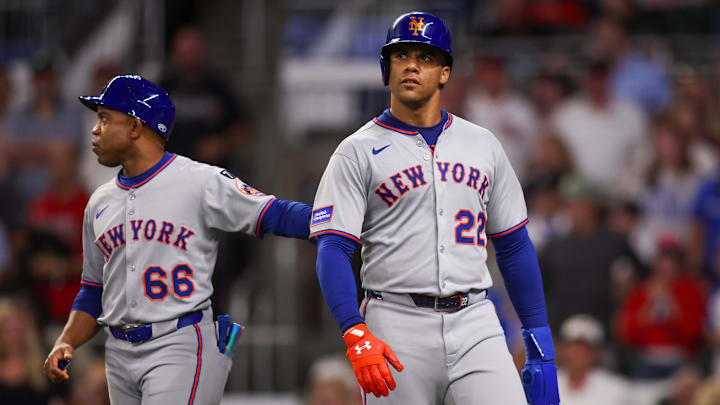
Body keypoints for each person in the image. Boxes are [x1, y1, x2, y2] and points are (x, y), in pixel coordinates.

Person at [311, 12, 559, 404]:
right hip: (395, 322)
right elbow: (333, 249)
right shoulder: (356, 151)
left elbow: (513, 246)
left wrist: (538, 338)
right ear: (386, 68)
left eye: (425, 58)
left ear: (445, 73)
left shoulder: (483, 144)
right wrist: (354, 330)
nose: (411, 65)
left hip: (475, 317)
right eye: (401, 56)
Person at [42, 75, 312, 404]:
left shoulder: (198, 181)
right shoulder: (99, 202)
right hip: (118, 353)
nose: (95, 130)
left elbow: (274, 213)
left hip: (179, 342)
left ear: (134, 127)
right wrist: (66, 340)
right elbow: (93, 290)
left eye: (104, 118)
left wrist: (341, 222)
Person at [556, 314, 631, 405]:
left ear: (596, 352)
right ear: (562, 350)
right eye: (572, 347)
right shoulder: (546, 385)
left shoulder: (617, 389)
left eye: (585, 349)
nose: (577, 354)